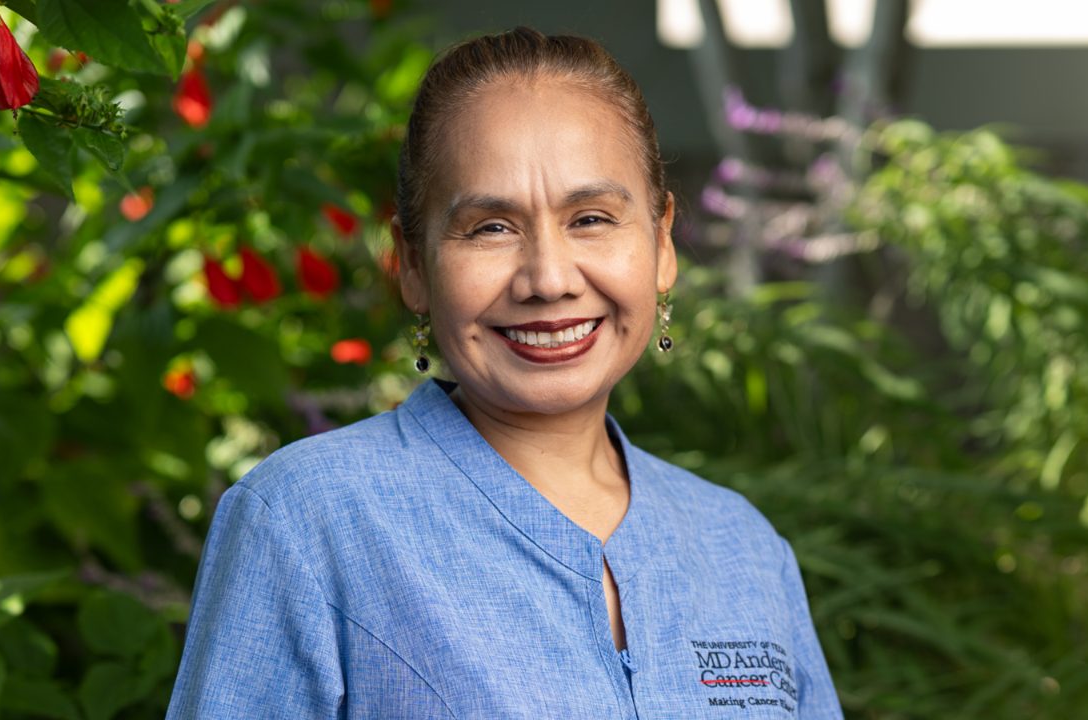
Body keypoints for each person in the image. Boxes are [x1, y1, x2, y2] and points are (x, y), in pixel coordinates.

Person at [167, 27, 842, 719]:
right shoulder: (307, 520)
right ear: (413, 264)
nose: (548, 279)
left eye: (591, 218)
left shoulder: (744, 548)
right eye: (491, 227)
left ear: (662, 243)